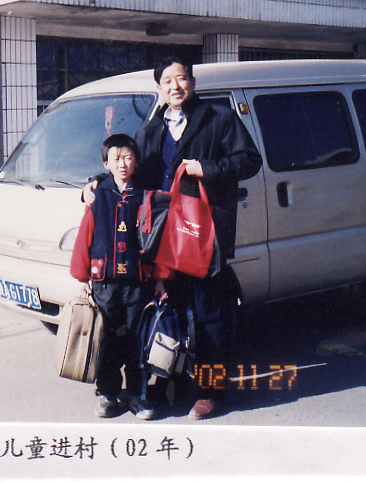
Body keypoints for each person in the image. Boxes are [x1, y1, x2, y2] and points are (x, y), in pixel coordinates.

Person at [83, 56, 262, 420]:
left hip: (203, 236)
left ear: (192, 83)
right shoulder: (150, 130)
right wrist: (96, 184)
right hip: (162, 238)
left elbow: (249, 160)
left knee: (210, 316)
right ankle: (172, 382)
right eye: (167, 81)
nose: (175, 87)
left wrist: (206, 167)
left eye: (181, 79)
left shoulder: (219, 118)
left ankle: (212, 393)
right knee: (169, 312)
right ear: (159, 88)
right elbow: (128, 168)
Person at [69, 133, 156, 420]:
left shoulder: (145, 195)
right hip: (104, 283)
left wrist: (161, 276)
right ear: (106, 163)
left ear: (136, 161)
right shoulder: (97, 196)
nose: (122, 164)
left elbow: (159, 239)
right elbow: (85, 236)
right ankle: (107, 393)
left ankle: (137, 395)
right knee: (106, 337)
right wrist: (82, 277)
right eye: (115, 158)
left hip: (137, 281)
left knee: (136, 338)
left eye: (128, 157)